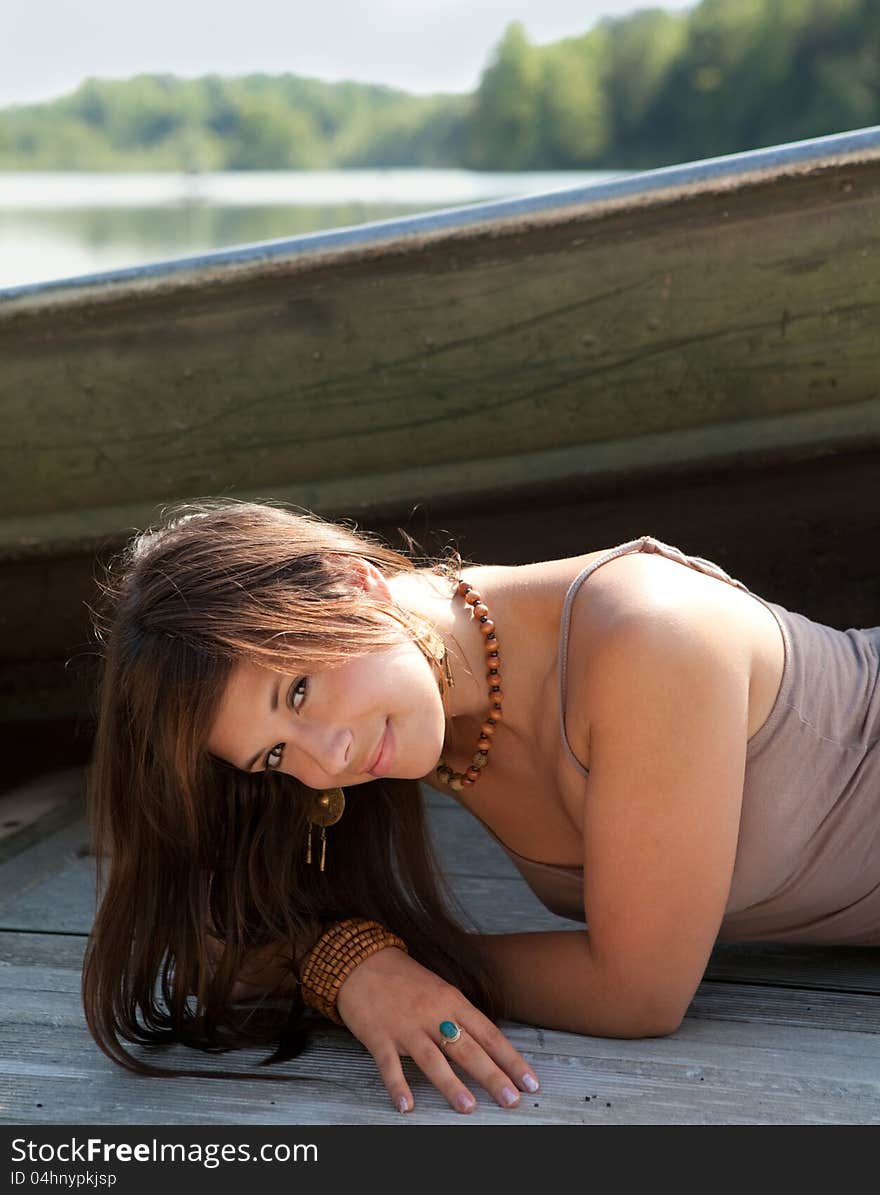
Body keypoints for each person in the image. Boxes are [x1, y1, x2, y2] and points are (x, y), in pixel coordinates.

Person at [82, 497, 880, 1116]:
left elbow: (638, 993)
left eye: (297, 690)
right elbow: (208, 944)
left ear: (352, 583)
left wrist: (387, 962)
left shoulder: (648, 636)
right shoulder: (422, 723)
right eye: (276, 755)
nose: (329, 758)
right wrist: (348, 966)